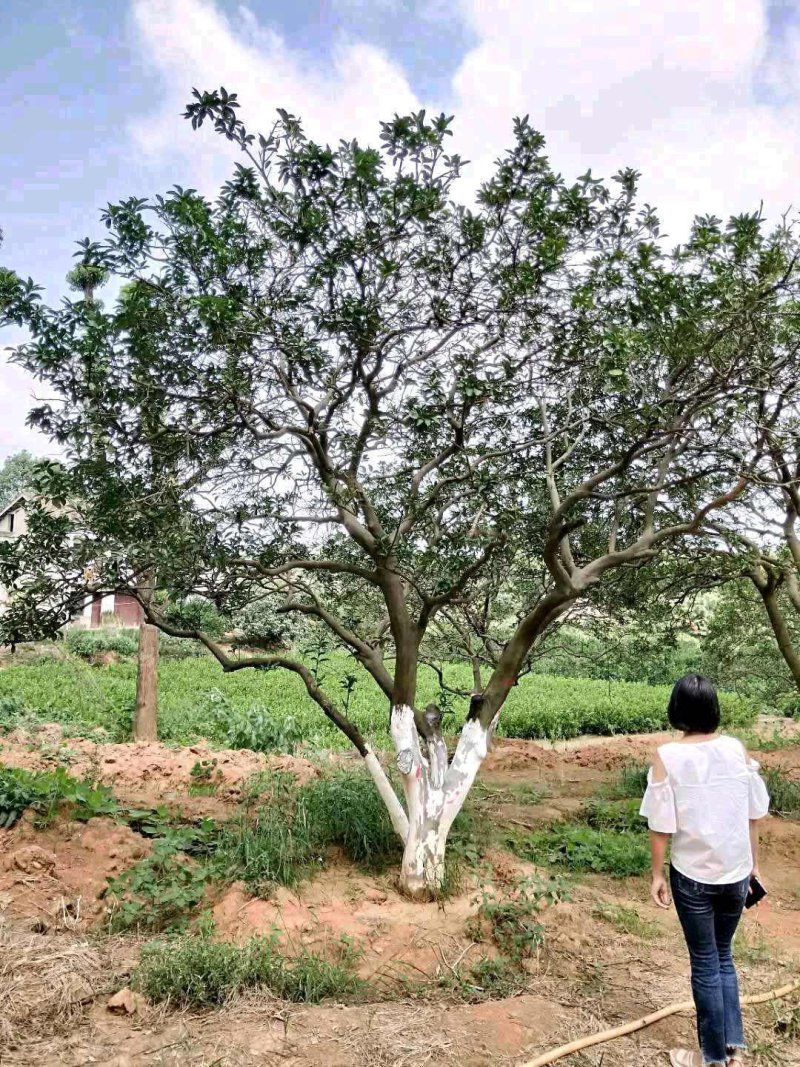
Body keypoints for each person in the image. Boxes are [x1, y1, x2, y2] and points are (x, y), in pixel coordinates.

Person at [640, 675, 770, 1067]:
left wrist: (657, 875)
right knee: (724, 956)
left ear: (676, 710)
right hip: (735, 872)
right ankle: (733, 1051)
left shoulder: (667, 755)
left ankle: (712, 1058)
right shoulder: (735, 749)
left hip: (692, 876)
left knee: (705, 961)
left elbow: (661, 824)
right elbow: (752, 814)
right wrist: (754, 866)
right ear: (714, 708)